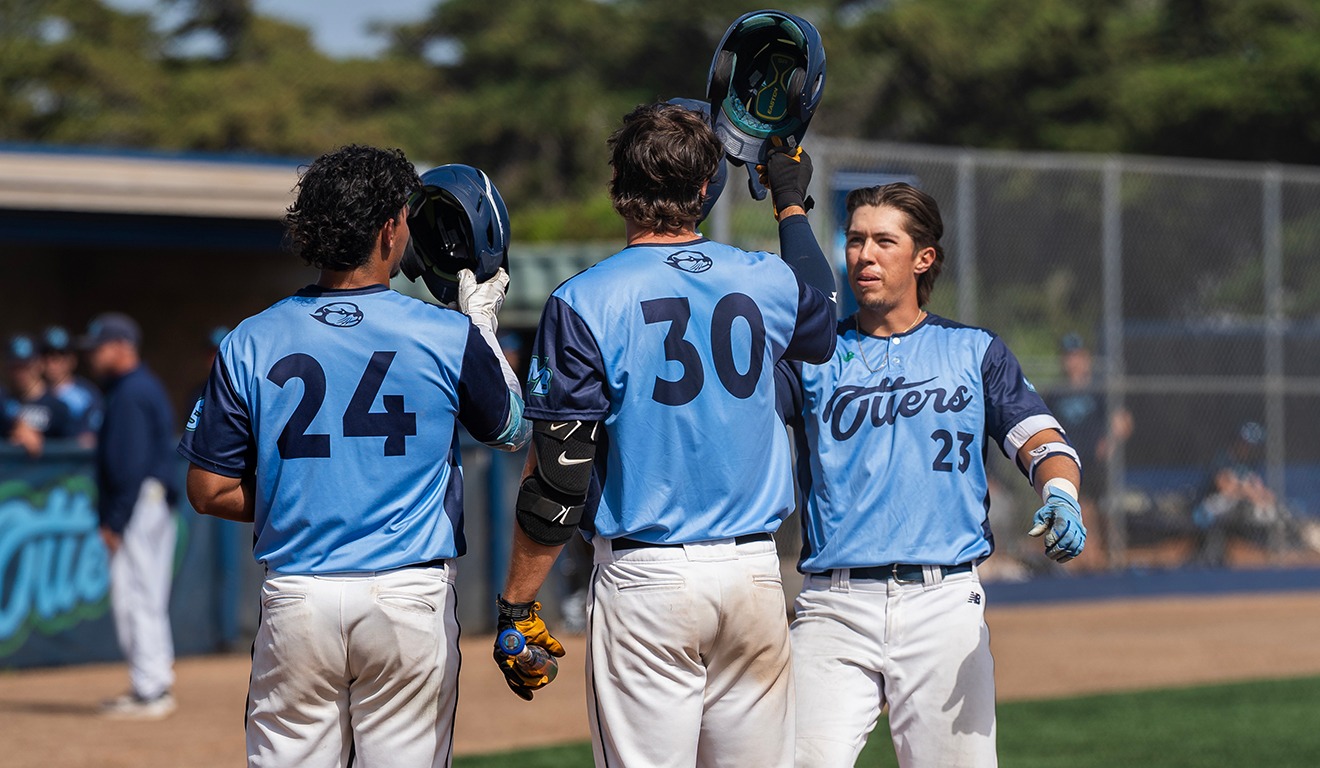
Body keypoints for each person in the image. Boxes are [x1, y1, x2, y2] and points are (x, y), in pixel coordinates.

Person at [494, 102, 837, 768]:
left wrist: (517, 604)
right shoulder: (765, 278)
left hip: (646, 581)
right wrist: (790, 203)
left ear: (616, 188)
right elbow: (822, 314)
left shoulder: (584, 299)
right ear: (705, 188)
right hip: (753, 576)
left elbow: (561, 477)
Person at [178, 144, 529, 768]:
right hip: (407, 596)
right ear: (390, 230)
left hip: (297, 597)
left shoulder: (249, 338)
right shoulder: (445, 334)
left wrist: (306, 494)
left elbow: (209, 490)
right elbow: (512, 429)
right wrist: (480, 327)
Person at [774, 182, 1086, 767]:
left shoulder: (974, 350)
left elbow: (1041, 438)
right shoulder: (814, 357)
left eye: (883, 241)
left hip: (942, 606)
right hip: (833, 608)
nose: (864, 255)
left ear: (924, 258)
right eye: (855, 240)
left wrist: (1061, 492)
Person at [81, 312, 181, 720]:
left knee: (136, 596)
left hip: (139, 502)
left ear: (123, 347)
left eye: (100, 347)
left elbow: (128, 463)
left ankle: (150, 688)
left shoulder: (131, 391)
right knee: (146, 595)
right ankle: (153, 683)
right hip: (149, 500)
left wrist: (115, 519)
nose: (93, 355)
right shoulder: (138, 387)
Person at [1046, 332, 1133, 568]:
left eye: (1077, 356)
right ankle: (1086, 560)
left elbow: (1123, 421)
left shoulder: (1099, 389)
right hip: (1070, 462)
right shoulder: (1055, 394)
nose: (1073, 362)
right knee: (1081, 510)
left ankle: (1112, 559)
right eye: (1068, 357)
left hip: (1097, 463)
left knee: (1106, 511)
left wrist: (1109, 443)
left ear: (1086, 359)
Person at [4, 333, 74, 456]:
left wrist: (39, 440)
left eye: (26, 366)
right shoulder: (3, 402)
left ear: (38, 364)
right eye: (15, 367)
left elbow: (75, 449)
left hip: (46, 467)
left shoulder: (57, 407)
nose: (20, 373)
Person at [40, 325, 105, 448]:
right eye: (46, 354)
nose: (52, 362)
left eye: (60, 355)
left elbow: (89, 438)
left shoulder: (87, 395)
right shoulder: (32, 392)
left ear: (72, 360)